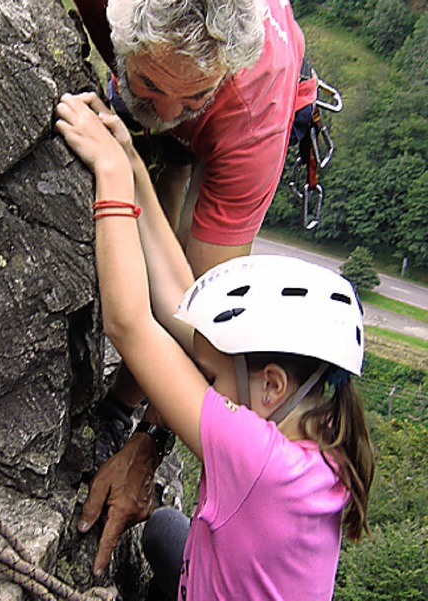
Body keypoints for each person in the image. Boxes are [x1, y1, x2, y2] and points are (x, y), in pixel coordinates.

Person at [54, 91, 375, 597]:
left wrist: (111, 178)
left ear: (271, 384)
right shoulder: (319, 426)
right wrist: (136, 168)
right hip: (218, 561)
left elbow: (129, 325)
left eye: (208, 378)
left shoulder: (261, 461)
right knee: (162, 530)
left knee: (162, 534)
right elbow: (184, 308)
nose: (201, 380)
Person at [71, 0, 319, 474]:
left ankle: (120, 407)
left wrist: (148, 442)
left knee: (185, 287)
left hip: (236, 110)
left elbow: (204, 320)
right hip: (174, 71)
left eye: (190, 98)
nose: (167, 111)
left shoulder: (252, 121)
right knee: (159, 164)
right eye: (153, 84)